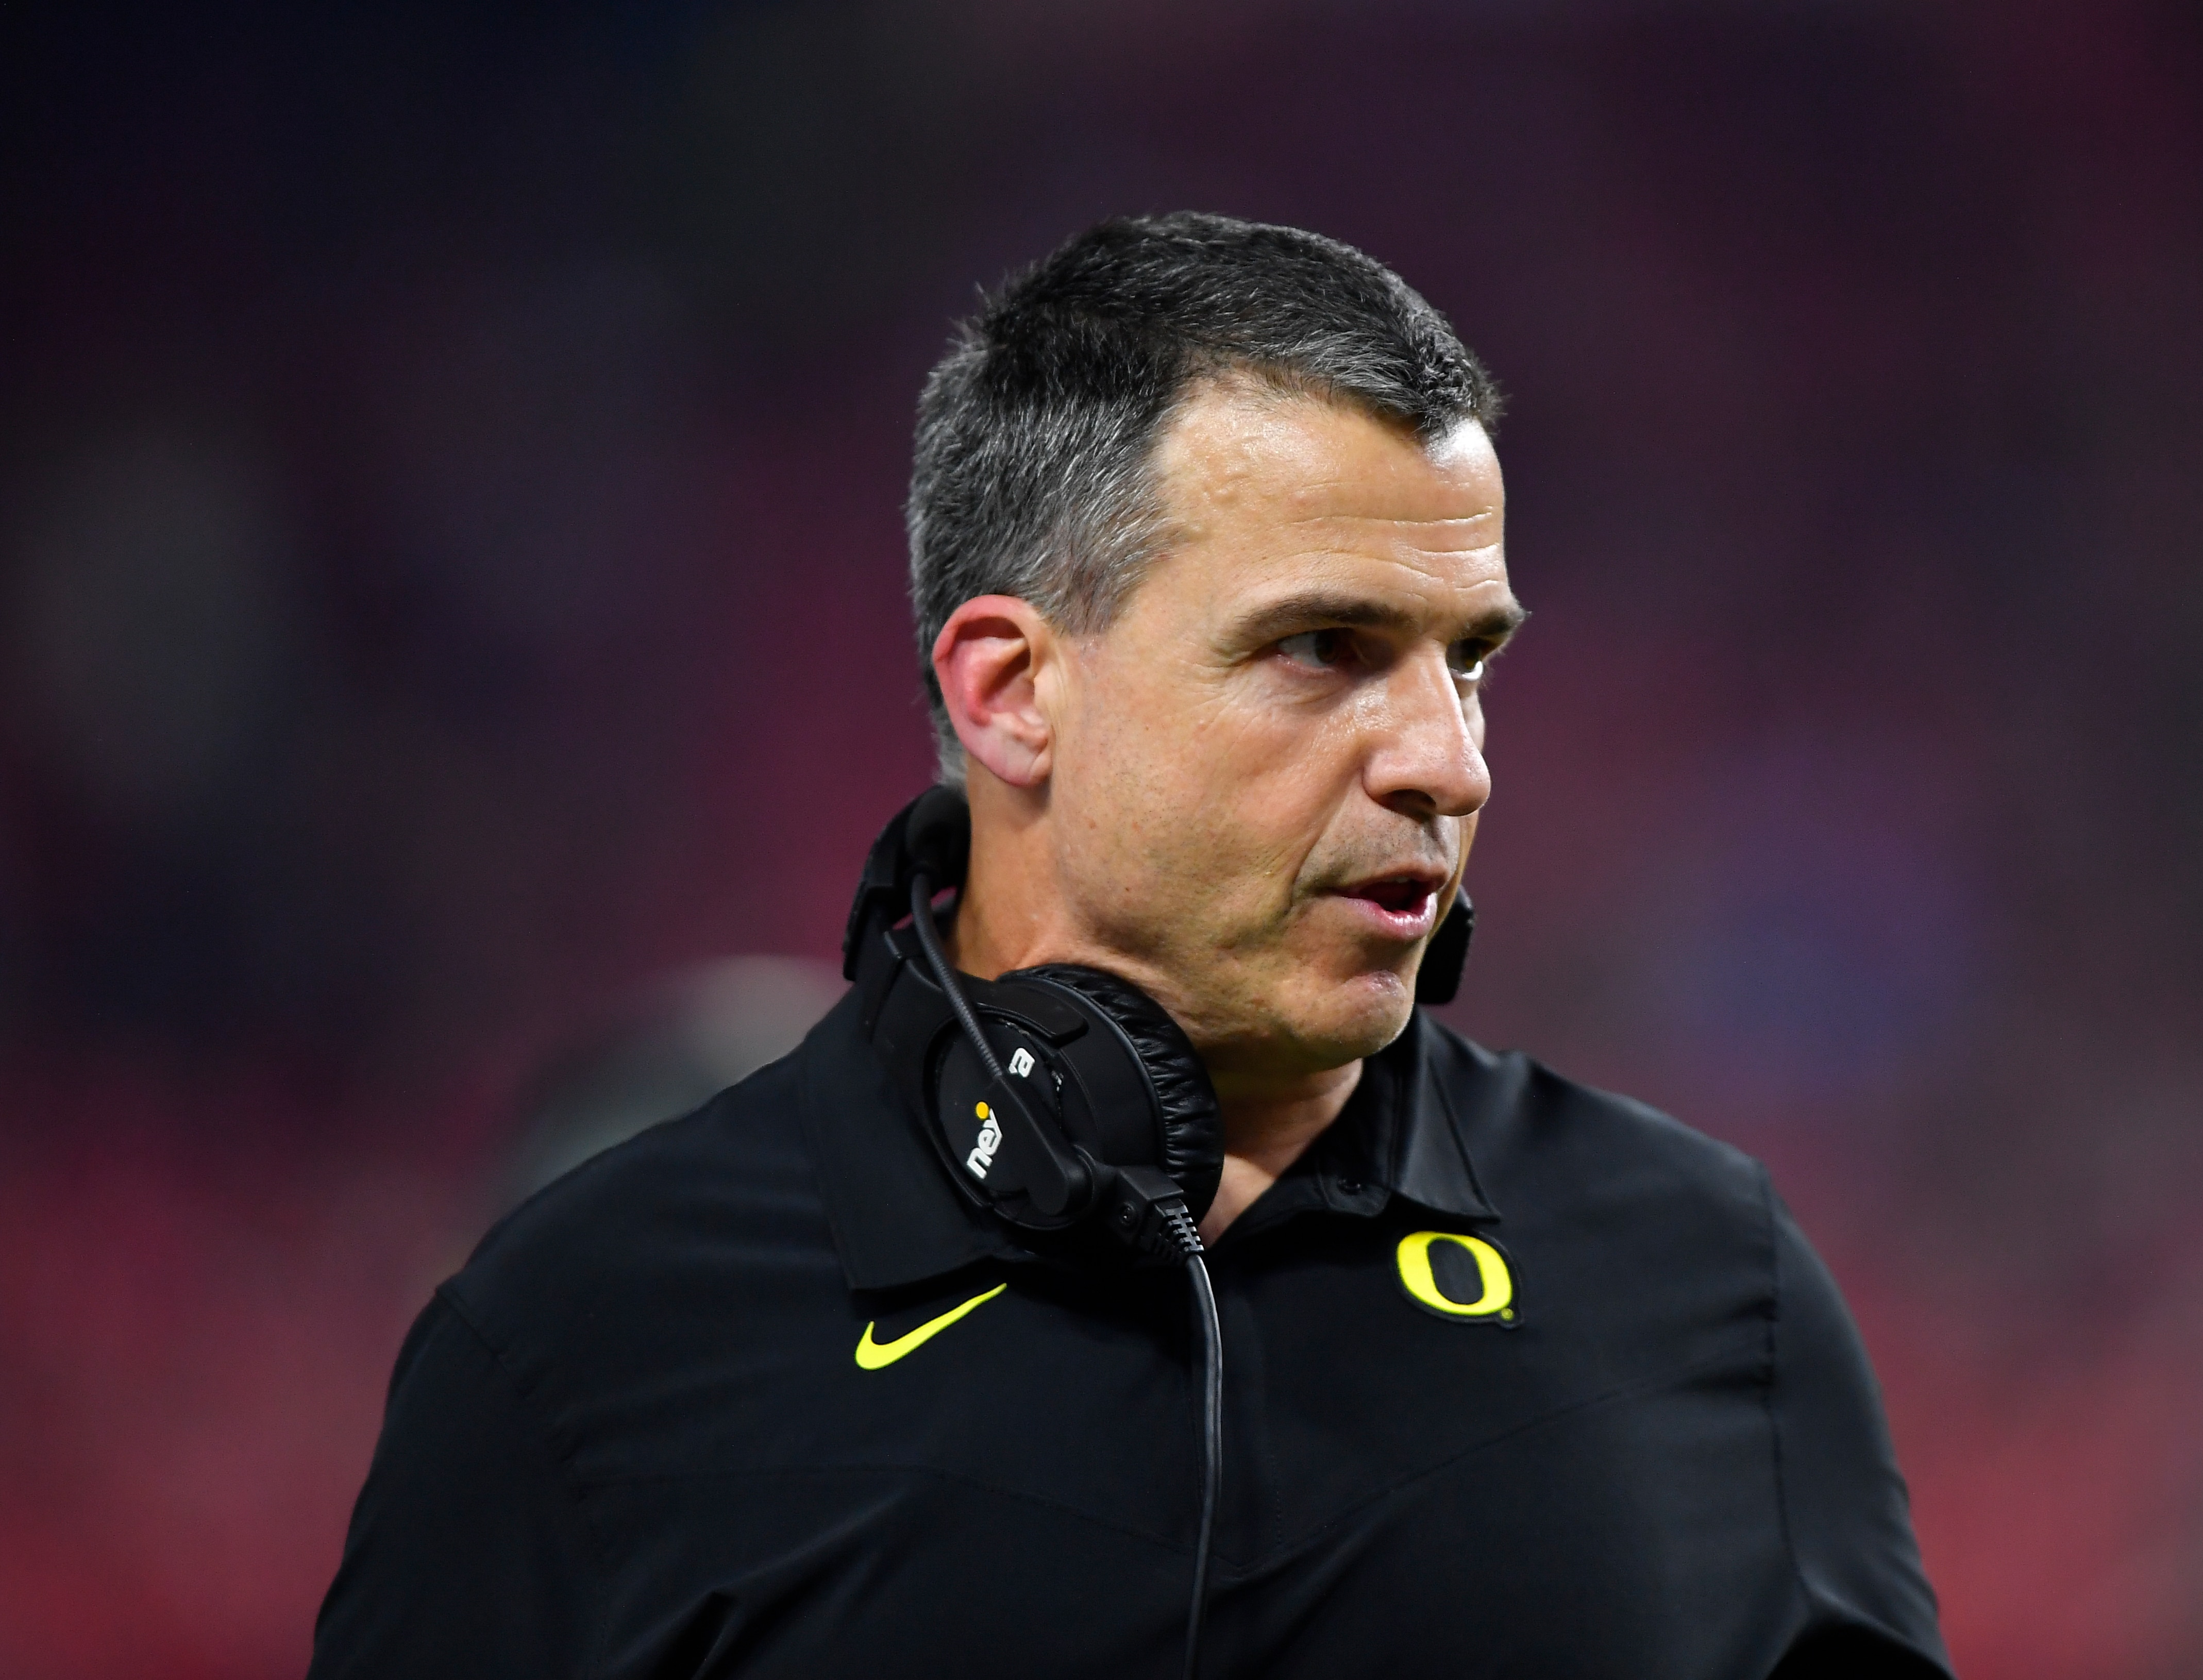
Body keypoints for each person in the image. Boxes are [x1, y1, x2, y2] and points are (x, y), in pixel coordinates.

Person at [311, 213, 1952, 1678]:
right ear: (1011, 690)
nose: (1447, 760)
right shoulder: (583, 1340)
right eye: (1324, 647)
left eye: (1467, 660)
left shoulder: (1705, 1282)